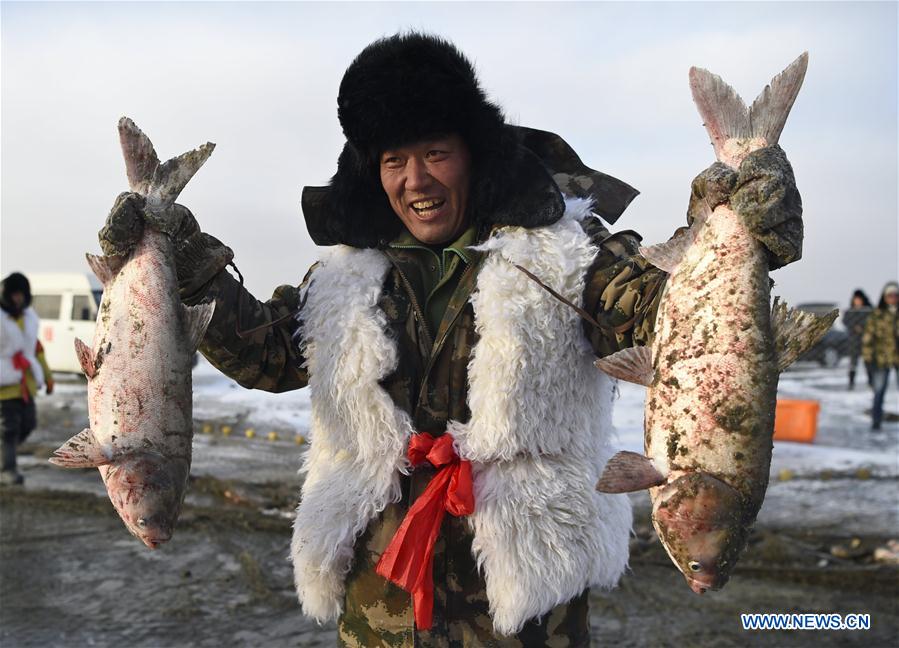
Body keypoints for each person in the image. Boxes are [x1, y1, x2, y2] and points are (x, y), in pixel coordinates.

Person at [99, 33, 803, 647]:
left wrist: (737, 233)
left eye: (435, 153)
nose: (415, 181)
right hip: (378, 604)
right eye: (393, 161)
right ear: (371, 172)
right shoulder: (342, 275)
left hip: (525, 609)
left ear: (474, 154)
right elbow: (269, 352)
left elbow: (670, 319)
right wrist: (190, 271)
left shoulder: (568, 253)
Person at [1, 272, 54, 486]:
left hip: (26, 382)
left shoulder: (29, 318)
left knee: (29, 424)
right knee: (9, 429)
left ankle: (4, 454)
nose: (18, 299)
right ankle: (8, 469)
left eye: (21, 295)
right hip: (4, 385)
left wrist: (48, 377)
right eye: (14, 295)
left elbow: (37, 349)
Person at [862, 282, 899, 431]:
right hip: (881, 358)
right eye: (890, 295)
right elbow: (868, 338)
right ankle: (876, 421)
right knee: (879, 391)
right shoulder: (876, 315)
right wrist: (868, 358)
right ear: (884, 297)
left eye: (895, 295)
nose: (893, 298)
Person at [843, 289, 873, 389]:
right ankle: (851, 383)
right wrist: (854, 326)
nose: (857, 302)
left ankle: (871, 382)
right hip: (854, 341)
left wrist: (862, 327)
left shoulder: (868, 310)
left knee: (868, 362)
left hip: (866, 341)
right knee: (853, 363)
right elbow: (845, 321)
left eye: (859, 299)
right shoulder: (851, 311)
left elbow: (871, 322)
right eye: (856, 300)